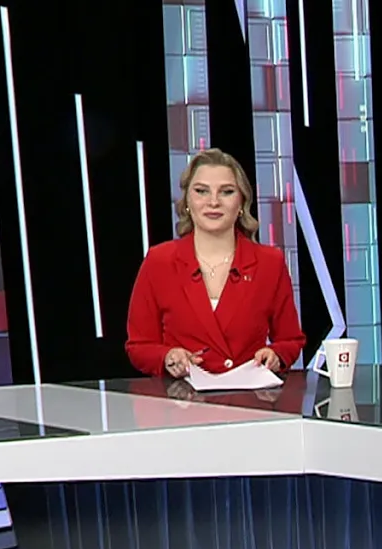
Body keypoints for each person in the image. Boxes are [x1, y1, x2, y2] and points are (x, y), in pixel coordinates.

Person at [126, 148, 305, 378]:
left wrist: (275, 355)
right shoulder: (159, 261)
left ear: (241, 203)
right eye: (201, 191)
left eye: (226, 192)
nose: (213, 202)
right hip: (181, 396)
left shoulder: (269, 263)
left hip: (249, 396)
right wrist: (168, 356)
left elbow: (290, 340)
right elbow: (139, 346)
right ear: (187, 201)